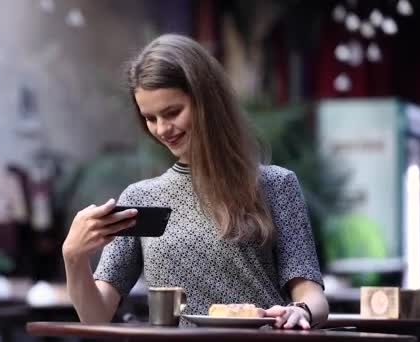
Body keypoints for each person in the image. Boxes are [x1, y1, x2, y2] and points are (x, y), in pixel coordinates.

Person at [62, 34, 328, 329]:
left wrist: (300, 310)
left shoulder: (276, 185)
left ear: (206, 100)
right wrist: (73, 257)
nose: (162, 129)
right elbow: (96, 315)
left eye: (173, 112)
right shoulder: (141, 199)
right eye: (150, 118)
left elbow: (311, 295)